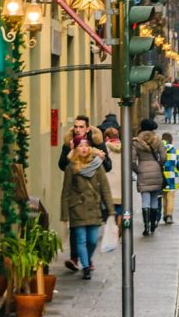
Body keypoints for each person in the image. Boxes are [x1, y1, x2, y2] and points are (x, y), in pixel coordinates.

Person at [58, 115, 111, 272]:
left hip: (93, 199)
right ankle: (81, 261)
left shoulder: (95, 142)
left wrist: (99, 156)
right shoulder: (69, 143)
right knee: (78, 235)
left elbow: (108, 166)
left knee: (91, 239)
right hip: (77, 198)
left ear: (87, 128)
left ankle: (86, 259)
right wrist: (71, 157)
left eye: (81, 126)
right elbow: (62, 165)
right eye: (76, 126)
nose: (78, 129)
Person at [133, 119, 166, 236]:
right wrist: (159, 165)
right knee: (154, 199)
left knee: (145, 199)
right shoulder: (157, 139)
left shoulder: (136, 141)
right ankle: (153, 225)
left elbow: (132, 160)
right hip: (156, 170)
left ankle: (146, 227)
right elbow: (163, 156)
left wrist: (138, 170)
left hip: (142, 170)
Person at [160, 132, 179, 225]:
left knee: (164, 197)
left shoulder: (158, 149)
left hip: (161, 177)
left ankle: (164, 214)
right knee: (171, 197)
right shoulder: (175, 151)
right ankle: (169, 215)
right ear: (171, 140)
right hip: (172, 177)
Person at [103, 128, 124, 230]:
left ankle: (112, 225)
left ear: (107, 137)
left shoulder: (105, 148)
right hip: (121, 179)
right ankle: (119, 221)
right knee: (120, 203)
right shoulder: (124, 147)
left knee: (110, 203)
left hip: (109, 179)